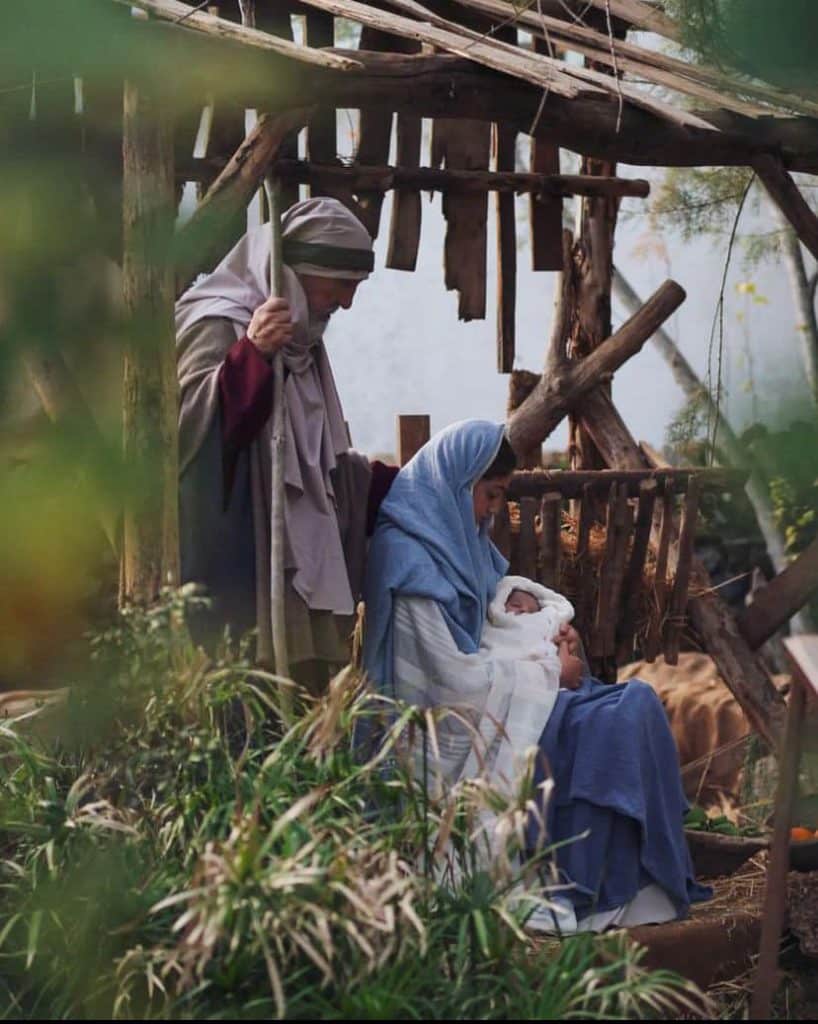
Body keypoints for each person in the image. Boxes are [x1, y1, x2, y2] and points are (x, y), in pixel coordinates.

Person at [363, 419, 710, 932]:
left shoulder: (461, 543)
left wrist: (553, 638)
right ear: (458, 484)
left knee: (634, 703)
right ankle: (595, 892)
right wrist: (553, 670)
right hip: (457, 738)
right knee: (618, 717)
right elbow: (448, 684)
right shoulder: (408, 558)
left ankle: (637, 887)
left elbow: (499, 619)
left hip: (510, 699)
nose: (492, 511)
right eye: (491, 495)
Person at [176, 197, 391, 683]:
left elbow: (319, 460)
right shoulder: (214, 322)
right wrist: (249, 357)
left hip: (289, 556)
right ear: (296, 271)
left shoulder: (303, 345)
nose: (347, 302)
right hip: (230, 549)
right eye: (341, 285)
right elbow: (184, 436)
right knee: (235, 692)